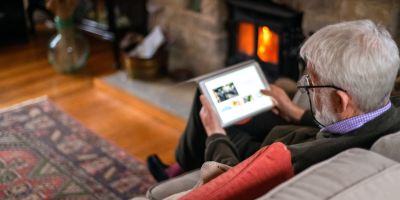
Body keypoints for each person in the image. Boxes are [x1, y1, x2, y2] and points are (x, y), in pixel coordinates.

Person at [148, 20, 400, 181]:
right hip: (294, 132)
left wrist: (215, 134)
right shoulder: (390, 114)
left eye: (311, 82)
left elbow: (231, 179)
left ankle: (180, 167)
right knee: (213, 97)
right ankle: (184, 162)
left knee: (208, 103)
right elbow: (352, 122)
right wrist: (294, 111)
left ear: (340, 101)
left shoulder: (298, 162)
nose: (306, 88)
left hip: (261, 153)